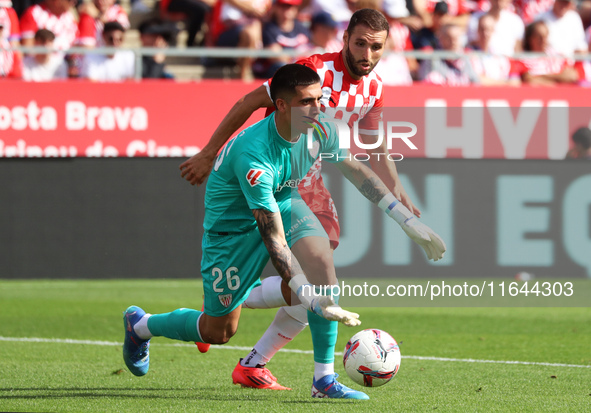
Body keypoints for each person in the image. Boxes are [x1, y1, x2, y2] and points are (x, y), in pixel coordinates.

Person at [123, 64, 445, 400]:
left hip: (284, 199)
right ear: (281, 106)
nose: (318, 108)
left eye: (320, 99)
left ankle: (324, 380)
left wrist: (406, 221)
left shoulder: (320, 127)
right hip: (232, 229)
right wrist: (309, 296)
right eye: (307, 102)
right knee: (218, 331)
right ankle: (141, 326)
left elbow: (355, 171)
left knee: (321, 265)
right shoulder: (254, 156)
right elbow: (273, 239)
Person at [179, 8, 427, 394]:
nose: (366, 53)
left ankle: (308, 375)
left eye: (375, 47)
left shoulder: (375, 88)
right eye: (359, 43)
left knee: (319, 272)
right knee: (301, 282)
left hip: (302, 182)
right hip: (266, 173)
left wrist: (398, 195)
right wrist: (210, 152)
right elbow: (249, 102)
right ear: (345, 38)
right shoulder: (312, 70)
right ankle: (232, 321)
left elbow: (374, 147)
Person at [511, 20, 580, 86]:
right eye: (539, 37)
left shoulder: (557, 55)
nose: (543, 40)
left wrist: (543, 77)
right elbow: (529, 80)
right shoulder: (523, 59)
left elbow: (572, 76)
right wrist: (559, 79)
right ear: (530, 38)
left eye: (545, 36)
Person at [253, 0, 309, 79]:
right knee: (283, 68)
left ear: (296, 9)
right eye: (282, 6)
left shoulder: (302, 29)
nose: (286, 10)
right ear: (276, 7)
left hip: (298, 68)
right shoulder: (269, 28)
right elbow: (275, 55)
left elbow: (309, 50)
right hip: (274, 71)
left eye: (290, 6)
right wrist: (296, 59)